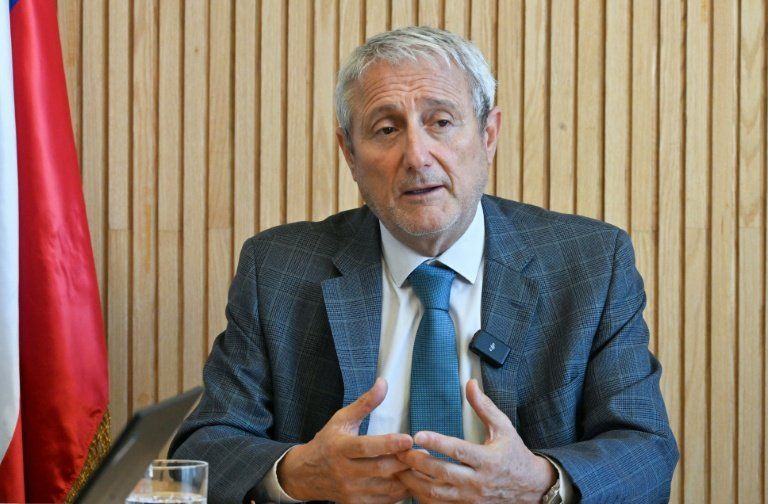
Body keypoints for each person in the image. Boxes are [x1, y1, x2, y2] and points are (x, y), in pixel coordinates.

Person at [170, 26, 678, 503]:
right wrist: (299, 472)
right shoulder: (278, 269)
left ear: (489, 134)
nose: (416, 156)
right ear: (349, 153)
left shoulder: (590, 263)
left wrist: (539, 482)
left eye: (441, 122)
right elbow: (204, 449)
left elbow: (647, 451)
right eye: (386, 129)